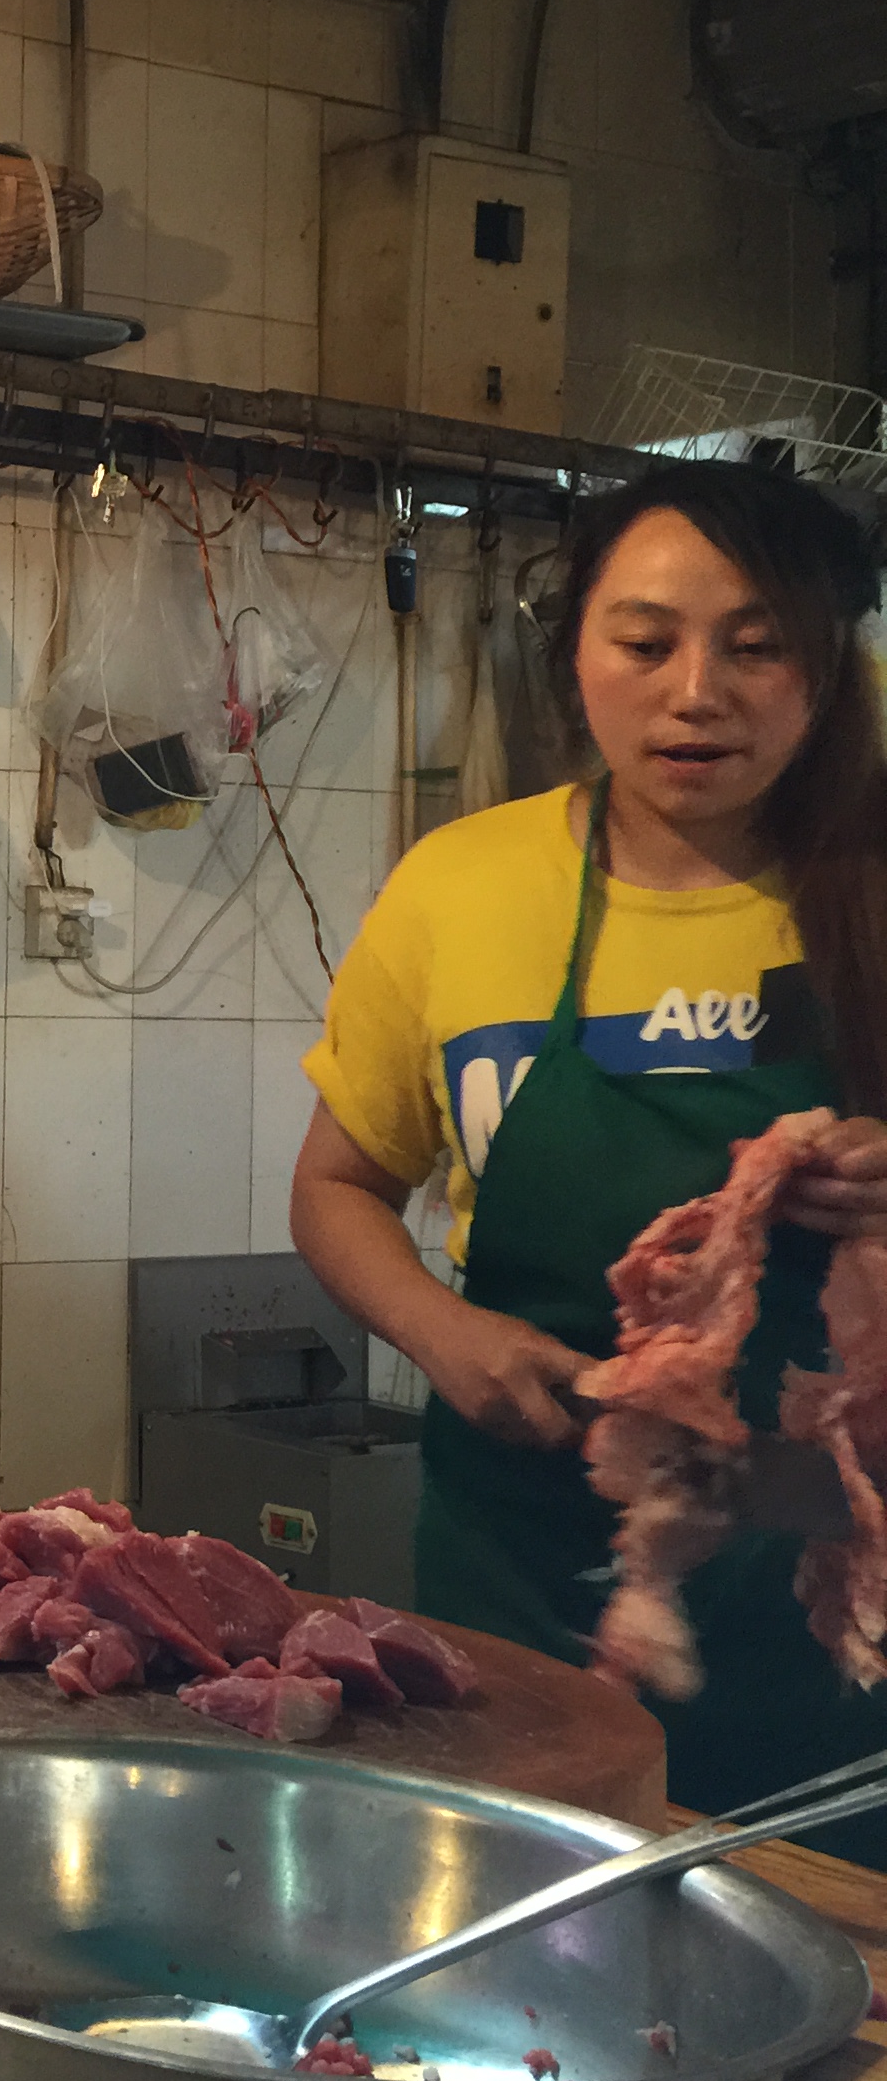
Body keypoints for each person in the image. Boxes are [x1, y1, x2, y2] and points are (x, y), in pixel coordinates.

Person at [293, 461, 887, 1859]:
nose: (697, 692)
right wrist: (441, 1332)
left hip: (825, 1608)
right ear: (576, 653)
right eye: (646, 641)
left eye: (757, 647)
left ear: (829, 668)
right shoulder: (465, 887)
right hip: (517, 1577)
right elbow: (338, 1187)